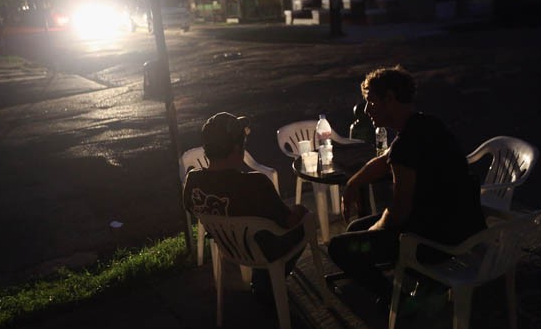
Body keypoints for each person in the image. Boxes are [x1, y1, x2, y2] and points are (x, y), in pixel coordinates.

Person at [329, 66, 486, 305]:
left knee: (339, 247)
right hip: (464, 225)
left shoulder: (406, 143)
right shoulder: (426, 123)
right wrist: (353, 183)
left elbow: (399, 212)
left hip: (436, 241)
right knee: (355, 228)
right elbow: (385, 160)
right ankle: (406, 279)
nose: (367, 110)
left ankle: (399, 302)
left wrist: (375, 230)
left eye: (371, 102)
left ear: (389, 99)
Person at [183, 112, 309, 295]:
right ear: (236, 149)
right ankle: (269, 281)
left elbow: (191, 208)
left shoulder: (193, 180)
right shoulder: (256, 183)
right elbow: (287, 222)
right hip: (264, 250)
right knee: (305, 221)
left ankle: (263, 282)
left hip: (228, 247)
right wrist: (301, 211)